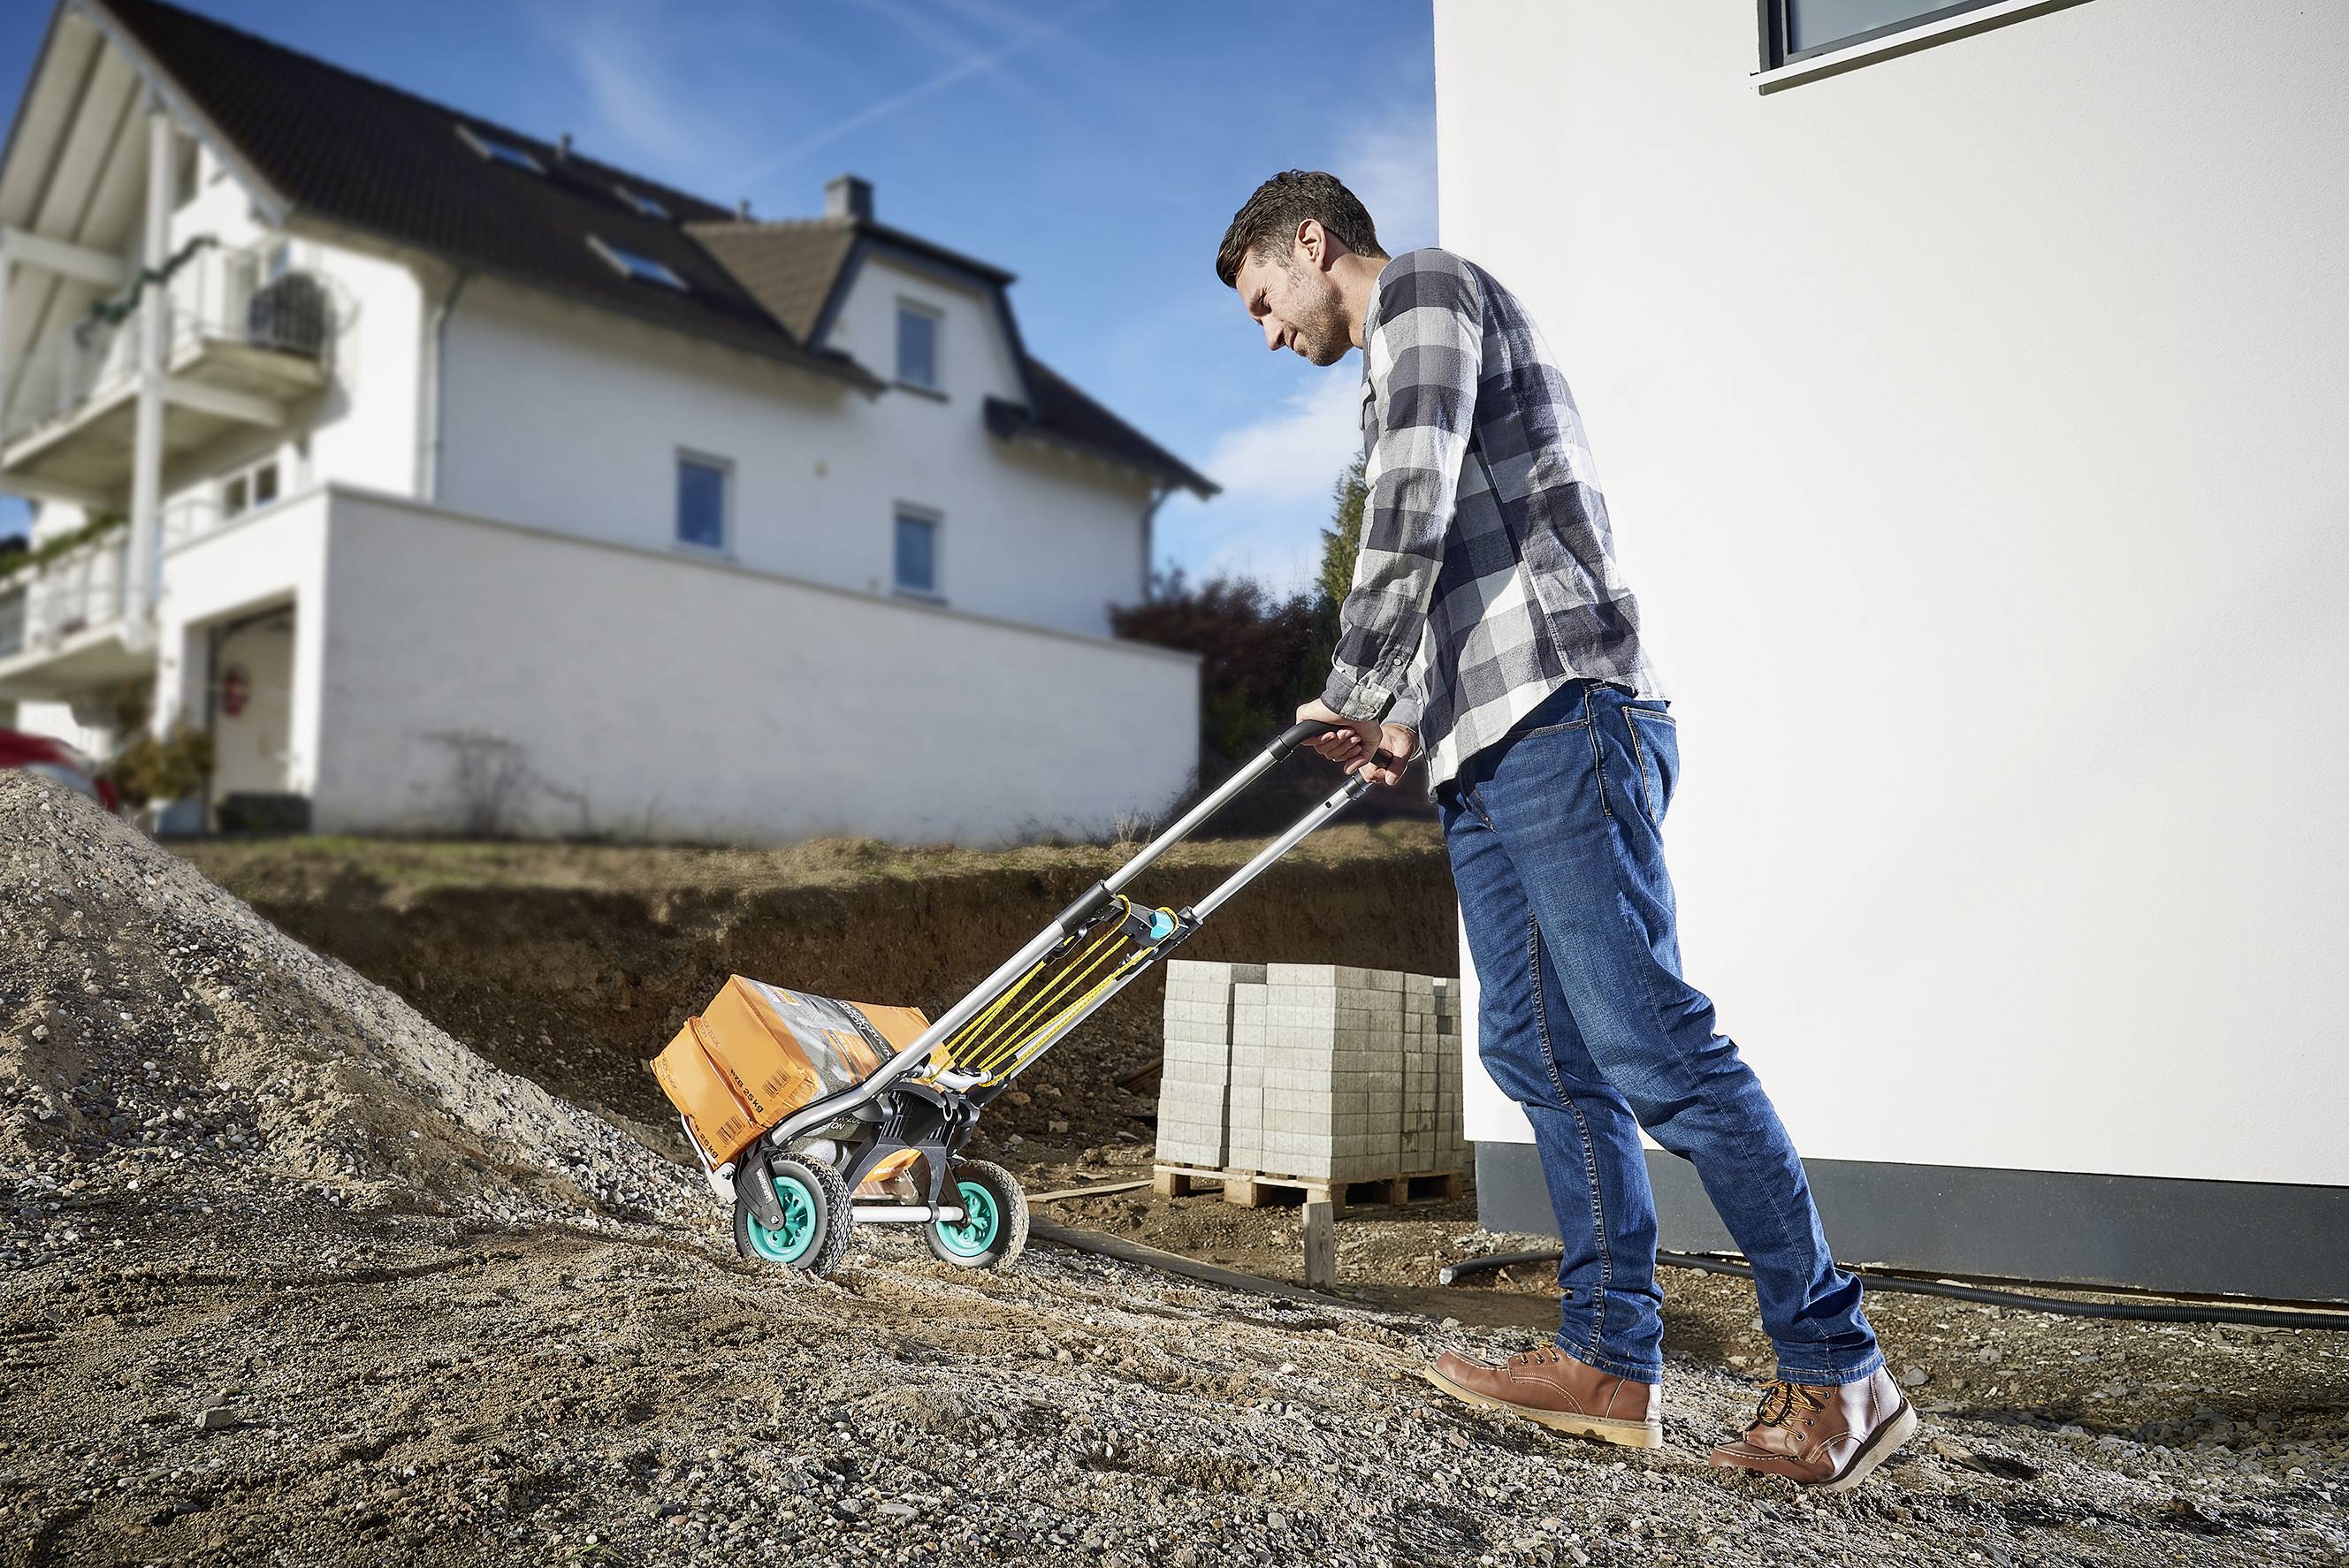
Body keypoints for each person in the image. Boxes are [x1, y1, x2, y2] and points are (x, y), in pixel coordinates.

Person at [1216, 170, 1916, 1492]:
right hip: (1487, 744)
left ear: (1312, 245)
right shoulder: (1395, 355)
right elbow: (1457, 570)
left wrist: (1354, 681)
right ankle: (1606, 1360)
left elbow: (1410, 505)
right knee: (1536, 1049)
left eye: (1264, 300)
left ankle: (1841, 1373)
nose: (1268, 333)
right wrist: (1403, 723)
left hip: (1562, 717)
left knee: (1649, 1042)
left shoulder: (1422, 292)